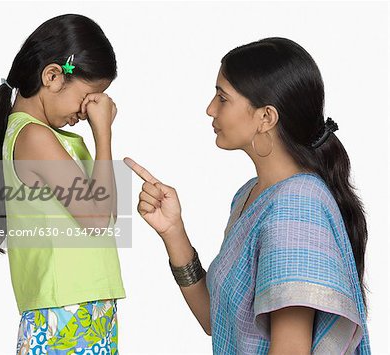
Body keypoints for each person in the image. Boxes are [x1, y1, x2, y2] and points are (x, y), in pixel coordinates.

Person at [124, 37, 371, 354]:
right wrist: (173, 232)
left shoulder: (296, 206)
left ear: (266, 117)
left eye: (222, 98)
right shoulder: (252, 195)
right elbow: (216, 321)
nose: (210, 109)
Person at [0, 14, 125, 354]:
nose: (89, 109)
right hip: (64, 310)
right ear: (52, 76)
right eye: (89, 95)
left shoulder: (56, 139)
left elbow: (106, 215)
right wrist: (104, 136)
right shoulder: (33, 137)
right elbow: (95, 220)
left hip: (86, 308)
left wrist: (99, 142)